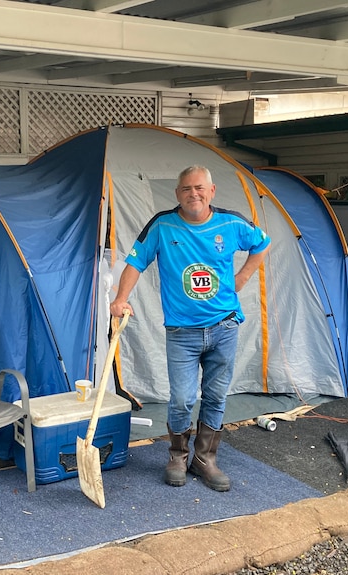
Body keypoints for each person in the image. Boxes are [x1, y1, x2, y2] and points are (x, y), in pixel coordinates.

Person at [110, 165, 270, 492]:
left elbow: (262, 242)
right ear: (177, 194)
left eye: (199, 188)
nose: (193, 194)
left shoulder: (230, 223)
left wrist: (242, 278)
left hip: (224, 326)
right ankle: (177, 456)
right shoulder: (163, 225)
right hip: (182, 332)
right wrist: (120, 299)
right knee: (182, 398)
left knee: (215, 395)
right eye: (186, 189)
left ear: (211, 192)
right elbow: (136, 262)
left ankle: (205, 459)